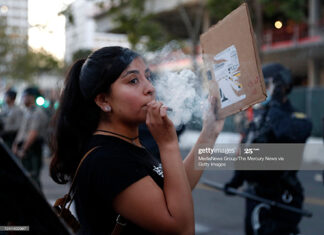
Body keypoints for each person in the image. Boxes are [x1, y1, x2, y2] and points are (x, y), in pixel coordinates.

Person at [50, 46, 225, 235]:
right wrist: (168, 144)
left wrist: (209, 133)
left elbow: (174, 192)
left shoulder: (127, 143)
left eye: (148, 77)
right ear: (103, 101)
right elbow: (182, 229)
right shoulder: (107, 160)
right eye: (133, 80)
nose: (150, 88)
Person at [224, 63, 312, 235]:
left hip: (281, 200)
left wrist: (277, 104)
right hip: (255, 197)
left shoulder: (296, 119)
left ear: (282, 86)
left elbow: (284, 133)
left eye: (267, 85)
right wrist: (236, 181)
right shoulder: (258, 119)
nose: (261, 91)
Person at [12, 87, 49, 188]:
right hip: (25, 147)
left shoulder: (37, 112)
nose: (23, 99)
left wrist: (24, 149)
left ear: (32, 97)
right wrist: (16, 144)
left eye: (25, 96)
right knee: (26, 177)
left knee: (33, 178)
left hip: (33, 148)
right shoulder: (28, 111)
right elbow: (22, 131)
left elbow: (33, 133)